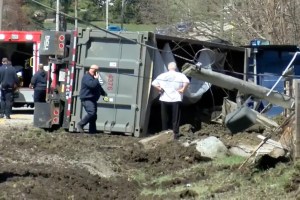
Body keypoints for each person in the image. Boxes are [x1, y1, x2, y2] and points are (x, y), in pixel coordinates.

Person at [151, 62, 190, 139]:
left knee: (164, 116)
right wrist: (183, 89)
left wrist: (160, 89)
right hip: (176, 98)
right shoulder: (180, 75)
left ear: (168, 68)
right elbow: (187, 82)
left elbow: (153, 83)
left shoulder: (162, 75)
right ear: (175, 68)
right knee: (175, 117)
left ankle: (165, 132)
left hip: (164, 98)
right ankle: (175, 133)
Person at [77, 64, 107, 133]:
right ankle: (80, 124)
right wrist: (96, 78)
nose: (98, 72)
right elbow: (92, 85)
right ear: (93, 70)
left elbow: (98, 86)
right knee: (91, 113)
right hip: (87, 99)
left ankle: (92, 132)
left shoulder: (93, 78)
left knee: (94, 116)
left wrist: (103, 93)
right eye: (97, 70)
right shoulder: (87, 77)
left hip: (92, 99)